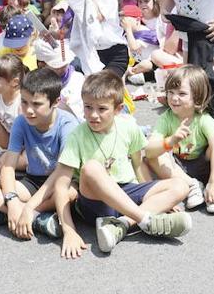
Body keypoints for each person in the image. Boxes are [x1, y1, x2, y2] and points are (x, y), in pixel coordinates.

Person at [55, 71, 191, 254]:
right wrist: (69, 231)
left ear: (118, 109)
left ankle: (122, 225)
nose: (93, 115)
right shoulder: (77, 136)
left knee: (180, 186)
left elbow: (138, 164)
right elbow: (61, 185)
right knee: (91, 167)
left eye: (102, 109)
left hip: (127, 191)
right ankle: (146, 220)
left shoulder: (128, 127)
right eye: (88, 107)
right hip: (95, 201)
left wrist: (158, 198)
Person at [0, 68, 80, 237]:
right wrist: (12, 200)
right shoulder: (21, 122)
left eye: (36, 104)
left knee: (71, 194)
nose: (29, 110)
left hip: (61, 181)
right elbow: (9, 165)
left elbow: (62, 172)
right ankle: (25, 216)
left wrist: (29, 207)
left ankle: (21, 214)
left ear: (55, 102)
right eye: (24, 102)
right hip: (33, 180)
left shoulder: (68, 125)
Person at [144, 64, 214, 214]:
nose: (174, 98)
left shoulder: (203, 119)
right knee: (154, 155)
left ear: (197, 97)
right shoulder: (166, 118)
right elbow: (149, 150)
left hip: (203, 166)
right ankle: (192, 186)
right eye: (171, 92)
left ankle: (213, 189)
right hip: (177, 168)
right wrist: (171, 140)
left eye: (182, 93)